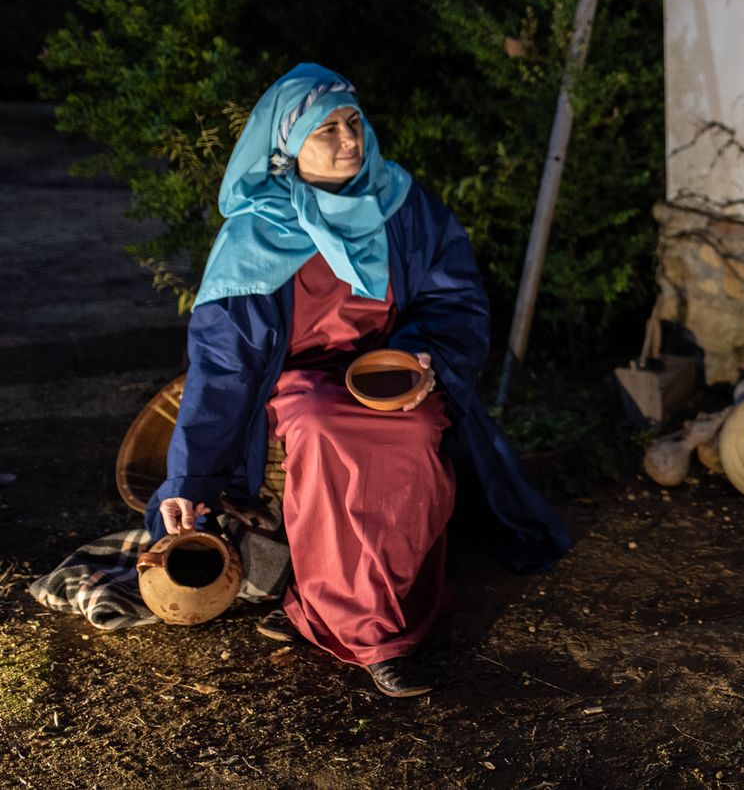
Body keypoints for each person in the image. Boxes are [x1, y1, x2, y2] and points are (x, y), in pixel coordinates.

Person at [147, 63, 571, 698]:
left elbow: (457, 301)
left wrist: (424, 357)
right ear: (287, 149)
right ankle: (378, 638)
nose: (350, 140)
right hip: (300, 387)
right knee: (322, 431)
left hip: (392, 373)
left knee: (419, 430)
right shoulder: (255, 233)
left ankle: (344, 608)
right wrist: (188, 476)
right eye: (328, 130)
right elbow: (224, 365)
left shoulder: (403, 204)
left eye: (354, 123)